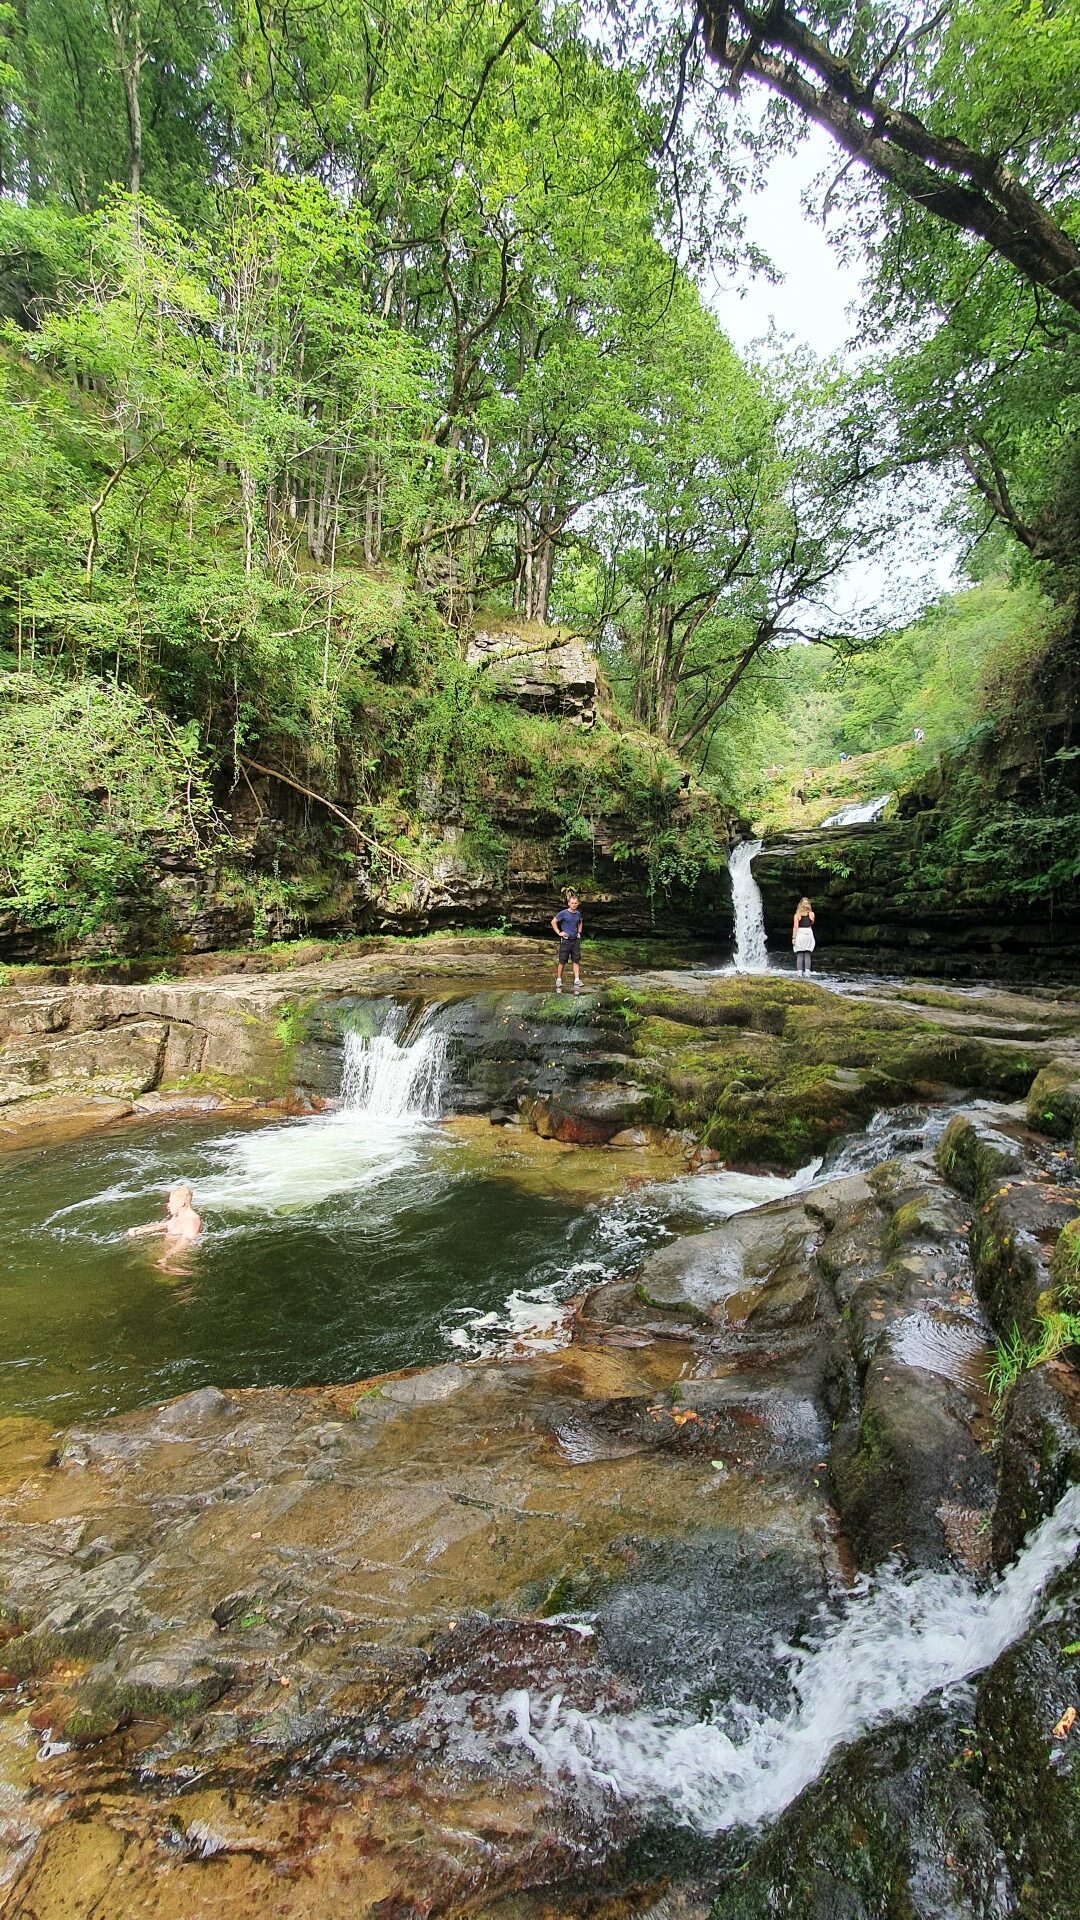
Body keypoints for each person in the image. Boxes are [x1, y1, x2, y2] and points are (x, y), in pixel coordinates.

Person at [127, 1185, 204, 1270]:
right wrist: (140, 1230)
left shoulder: (192, 1221)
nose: (168, 1205)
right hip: (167, 1253)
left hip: (177, 1260)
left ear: (182, 1203)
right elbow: (164, 1225)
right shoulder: (177, 1216)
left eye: (171, 1202)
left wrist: (167, 1257)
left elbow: (185, 1241)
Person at [551, 890, 583, 995]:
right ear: (568, 903)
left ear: (577, 904)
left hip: (575, 941)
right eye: (572, 903)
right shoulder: (563, 913)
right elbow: (553, 922)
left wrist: (579, 932)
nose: (574, 905)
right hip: (566, 941)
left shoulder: (578, 913)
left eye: (575, 903)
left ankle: (577, 980)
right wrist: (559, 932)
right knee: (562, 961)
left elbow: (580, 922)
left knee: (576, 960)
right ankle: (559, 979)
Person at [792, 897, 816, 975]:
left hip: (800, 933)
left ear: (800, 905)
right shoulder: (812, 914)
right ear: (808, 905)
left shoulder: (797, 915)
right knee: (807, 954)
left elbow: (796, 927)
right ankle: (807, 974)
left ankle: (799, 973)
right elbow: (811, 924)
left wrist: (794, 937)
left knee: (800, 955)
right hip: (809, 933)